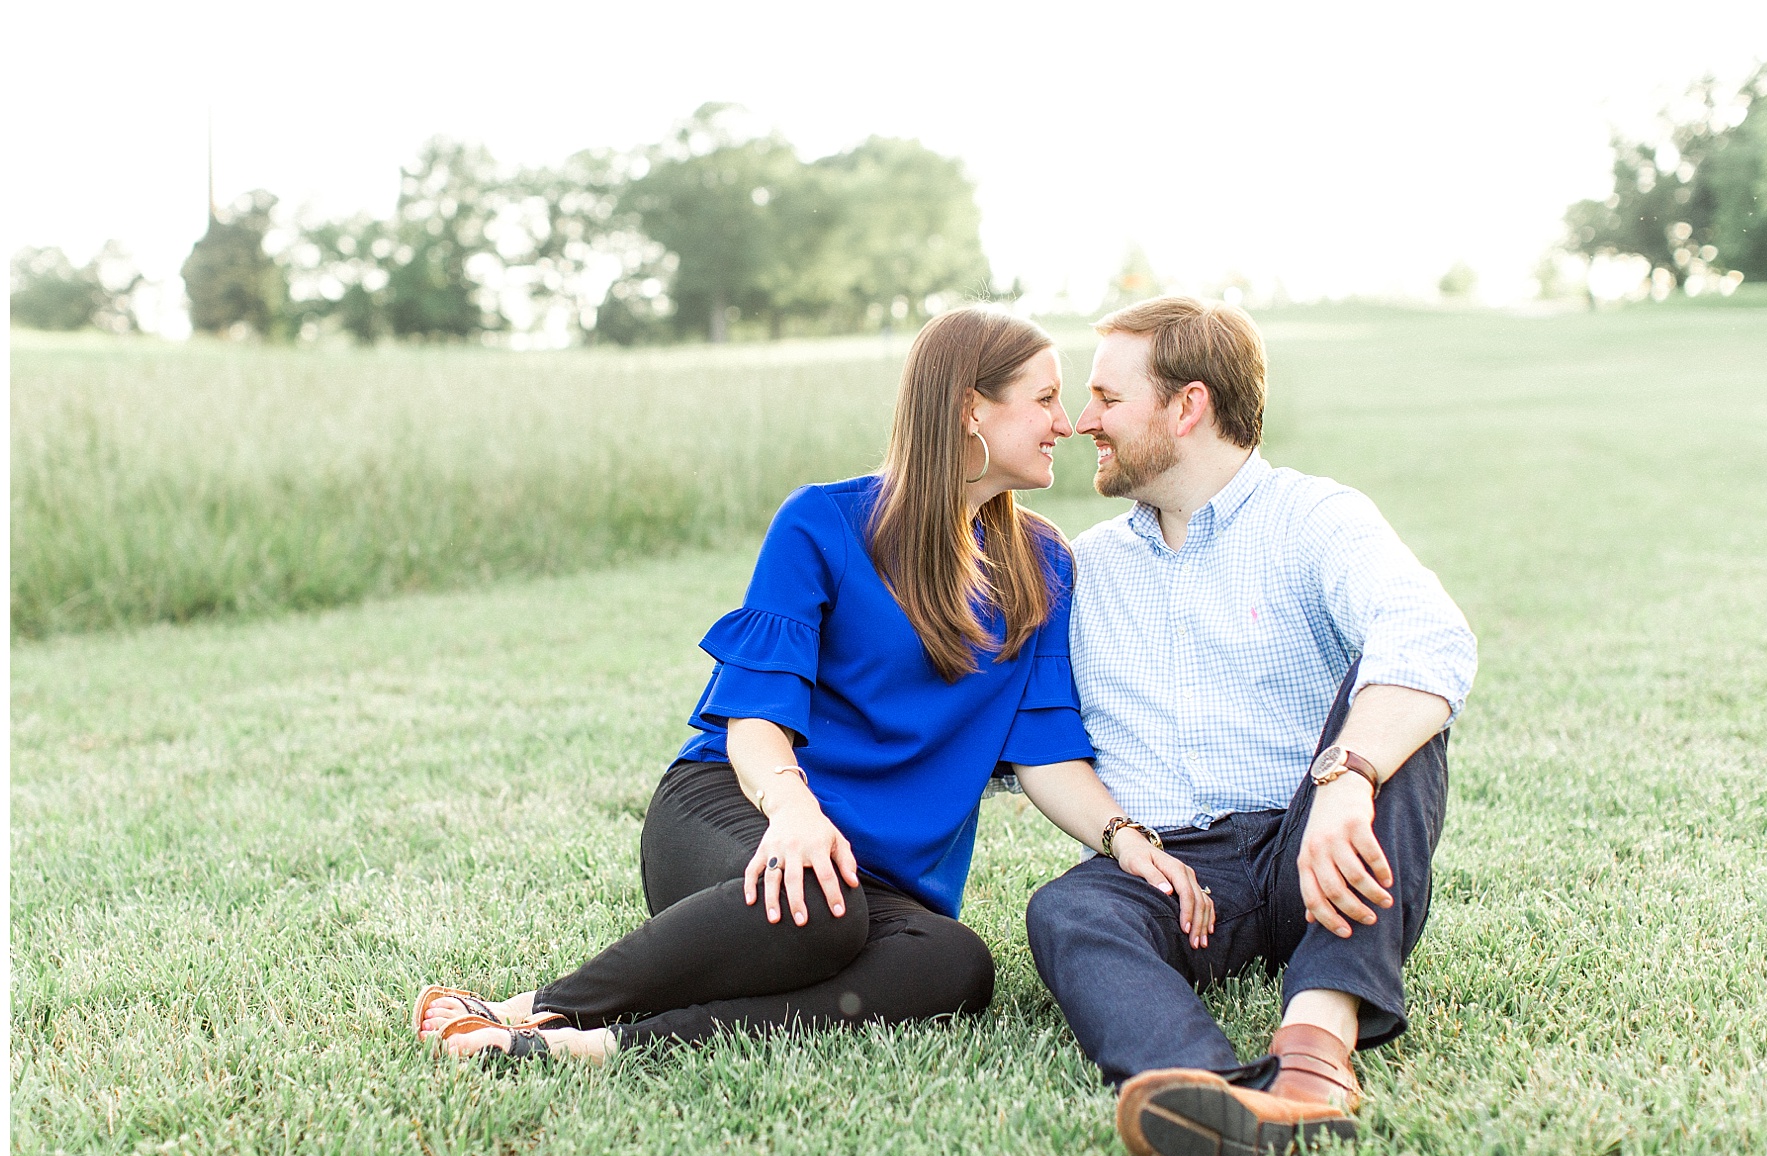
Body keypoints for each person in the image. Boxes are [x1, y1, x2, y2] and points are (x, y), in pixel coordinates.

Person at [414, 306, 1209, 1064]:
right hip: (738, 808)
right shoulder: (822, 523)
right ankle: (533, 1008)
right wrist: (795, 812)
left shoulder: (1043, 564)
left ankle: (597, 1047)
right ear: (972, 408)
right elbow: (754, 719)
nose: (1066, 424)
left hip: (873, 879)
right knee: (823, 907)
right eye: (1045, 399)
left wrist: (1124, 837)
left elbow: (1044, 751)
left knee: (954, 964)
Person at [1024, 296, 1477, 1156]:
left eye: (1107, 399)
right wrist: (1126, 841)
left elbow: (1431, 636)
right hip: (1178, 872)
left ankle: (1313, 1064)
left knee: (1395, 711)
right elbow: (1033, 743)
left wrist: (1347, 777)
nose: (1082, 423)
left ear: (1186, 407)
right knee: (1067, 908)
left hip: (1314, 840)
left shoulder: (1315, 518)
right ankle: (1208, 1091)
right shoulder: (1084, 567)